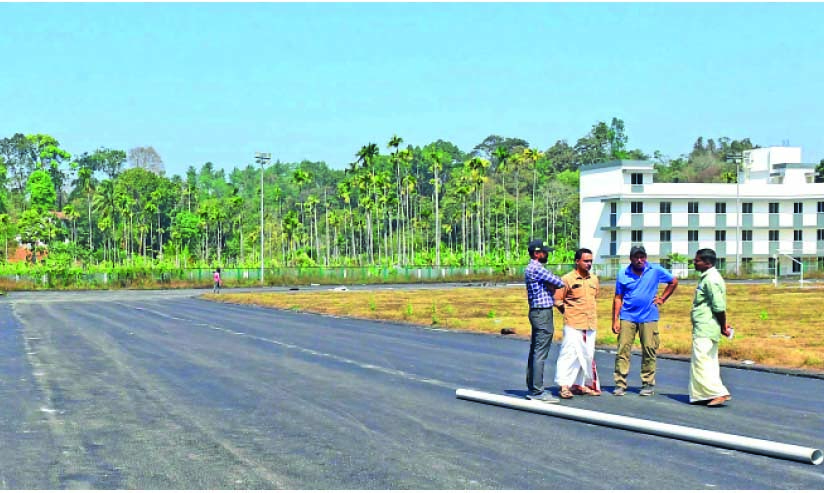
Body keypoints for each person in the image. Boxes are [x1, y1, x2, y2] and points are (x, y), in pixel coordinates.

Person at [612, 245, 679, 397]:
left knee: (649, 348)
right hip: (628, 316)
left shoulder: (654, 270)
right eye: (636, 257)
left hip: (649, 316)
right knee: (623, 349)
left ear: (646, 257)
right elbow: (618, 297)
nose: (639, 260)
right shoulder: (623, 273)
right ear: (631, 258)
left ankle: (648, 383)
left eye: (642, 257)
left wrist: (662, 299)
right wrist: (615, 320)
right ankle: (620, 383)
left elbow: (673, 281)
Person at [554, 248, 601, 399]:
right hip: (573, 324)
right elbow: (557, 299)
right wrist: (568, 312)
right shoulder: (567, 279)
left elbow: (595, 297)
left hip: (590, 324)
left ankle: (579, 384)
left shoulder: (594, 279)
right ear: (577, 261)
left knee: (587, 355)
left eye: (590, 261)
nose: (589, 264)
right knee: (569, 355)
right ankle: (564, 386)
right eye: (586, 261)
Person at [689, 248, 732, 407]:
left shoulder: (711, 280)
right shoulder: (707, 277)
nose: (694, 262)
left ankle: (718, 392)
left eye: (697, 260)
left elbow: (718, 307)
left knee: (701, 361)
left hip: (706, 327)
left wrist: (723, 326)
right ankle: (702, 394)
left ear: (707, 263)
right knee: (708, 361)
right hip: (706, 326)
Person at [524, 239, 565, 403]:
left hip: (537, 311)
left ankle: (533, 386)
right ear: (536, 253)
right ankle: (537, 391)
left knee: (535, 350)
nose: (547, 254)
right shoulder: (537, 268)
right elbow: (559, 282)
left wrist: (549, 285)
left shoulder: (531, 268)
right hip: (542, 312)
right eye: (544, 252)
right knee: (540, 352)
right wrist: (551, 285)